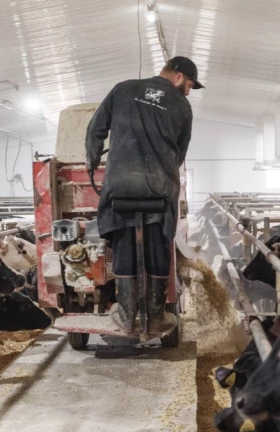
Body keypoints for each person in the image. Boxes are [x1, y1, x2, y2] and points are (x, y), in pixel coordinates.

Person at [85, 56, 203, 335]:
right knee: (158, 244)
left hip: (120, 186)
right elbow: (180, 153)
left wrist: (92, 161)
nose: (187, 91)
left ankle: (126, 317)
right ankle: (156, 316)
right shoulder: (182, 106)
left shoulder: (122, 89)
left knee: (124, 243)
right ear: (177, 76)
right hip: (160, 189)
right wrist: (162, 173)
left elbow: (95, 130)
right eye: (188, 85)